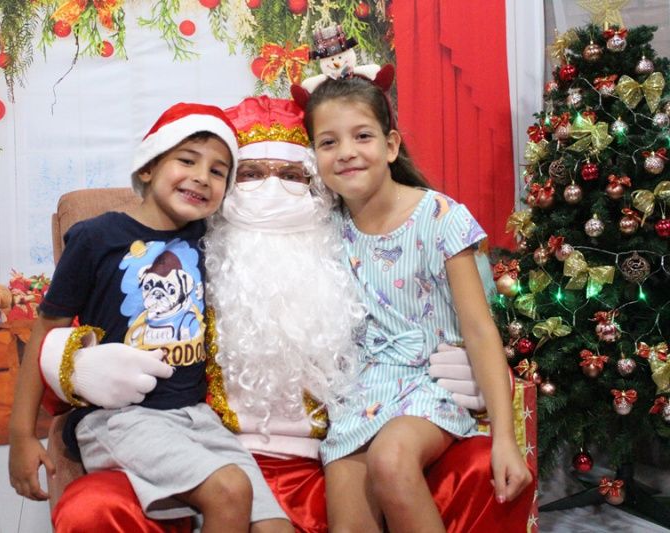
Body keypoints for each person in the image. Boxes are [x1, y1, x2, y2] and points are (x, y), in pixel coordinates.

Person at [38, 96, 519, 532]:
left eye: (291, 176)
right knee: (93, 508)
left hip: (329, 448)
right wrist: (72, 365)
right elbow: (99, 320)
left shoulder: (337, 236)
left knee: (464, 467)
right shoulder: (189, 246)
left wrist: (465, 369)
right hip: (208, 451)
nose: (272, 188)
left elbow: (441, 309)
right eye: (251, 174)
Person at [8, 102, 293, 533]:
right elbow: (46, 333)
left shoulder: (210, 239)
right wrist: (21, 435)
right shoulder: (96, 237)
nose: (202, 176)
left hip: (197, 416)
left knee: (275, 527)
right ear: (147, 167)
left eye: (218, 171)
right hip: (120, 420)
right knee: (229, 489)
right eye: (187, 160)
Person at [301, 73, 534, 531]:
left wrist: (505, 438)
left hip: (431, 380)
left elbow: (479, 329)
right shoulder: (324, 230)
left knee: (390, 458)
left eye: (362, 136)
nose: (345, 151)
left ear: (391, 146)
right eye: (328, 142)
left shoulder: (440, 218)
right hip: (359, 393)